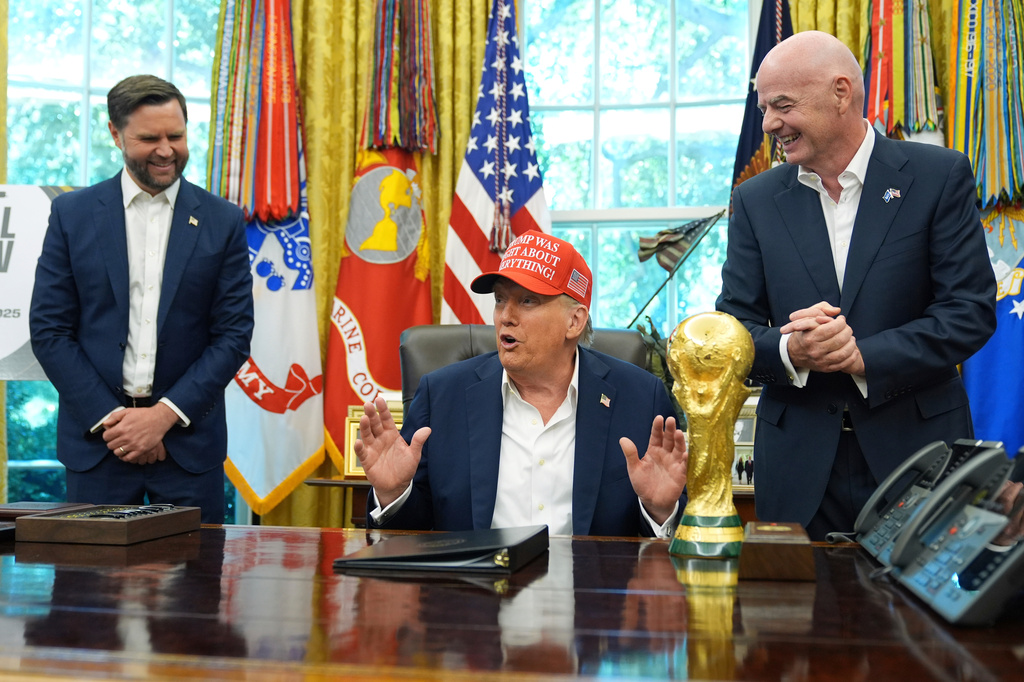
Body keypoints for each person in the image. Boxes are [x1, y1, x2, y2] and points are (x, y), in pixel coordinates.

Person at [716, 31, 997, 540]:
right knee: (798, 619)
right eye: (764, 108)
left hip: (918, 455)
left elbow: (969, 311)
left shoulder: (938, 176)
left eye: (782, 105)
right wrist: (790, 349)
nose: (770, 124)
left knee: (922, 619)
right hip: (797, 464)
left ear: (841, 92)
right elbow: (734, 329)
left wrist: (863, 356)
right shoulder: (755, 200)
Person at [354, 231, 688, 537]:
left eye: (527, 301)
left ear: (574, 321)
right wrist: (394, 494)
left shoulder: (640, 397)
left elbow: (660, 547)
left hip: (588, 596)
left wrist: (659, 511)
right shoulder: (443, 395)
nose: (505, 316)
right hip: (473, 595)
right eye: (500, 299)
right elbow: (409, 536)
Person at [29, 74, 254, 524]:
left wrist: (163, 417)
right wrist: (116, 421)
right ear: (115, 134)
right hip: (98, 445)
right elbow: (50, 330)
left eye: (177, 135)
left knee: (194, 589)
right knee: (89, 591)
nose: (166, 150)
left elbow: (232, 336)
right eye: (149, 138)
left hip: (189, 448)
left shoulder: (222, 220)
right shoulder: (72, 215)